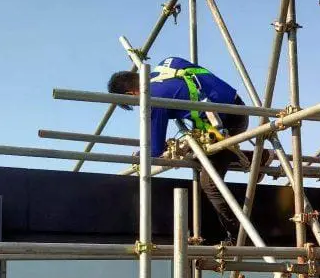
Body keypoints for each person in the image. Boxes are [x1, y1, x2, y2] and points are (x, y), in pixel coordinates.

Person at [108, 57, 263, 242]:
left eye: (134, 103)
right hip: (236, 105)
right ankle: (256, 157)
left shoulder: (153, 99)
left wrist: (139, 156)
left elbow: (154, 150)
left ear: (132, 93)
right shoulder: (168, 64)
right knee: (194, 154)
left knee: (210, 183)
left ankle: (239, 237)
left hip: (228, 125)